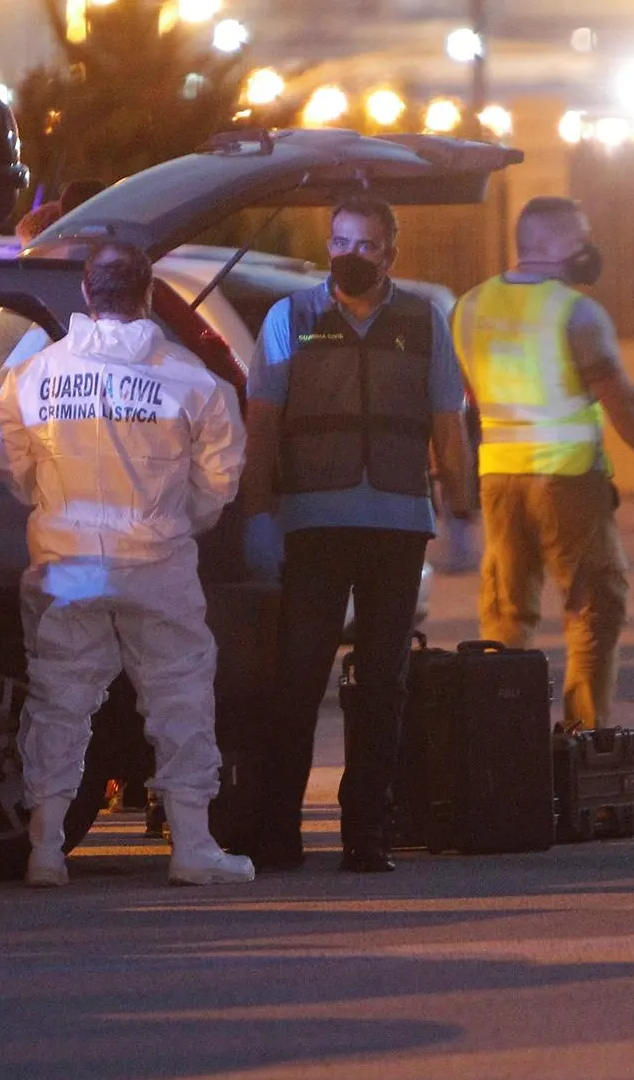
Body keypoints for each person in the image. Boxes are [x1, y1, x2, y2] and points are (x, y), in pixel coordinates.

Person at [0, 239, 255, 887]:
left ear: (86, 293)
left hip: (68, 563)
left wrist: (55, 508)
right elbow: (219, 482)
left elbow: (10, 460)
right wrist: (172, 521)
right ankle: (192, 846)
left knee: (61, 695)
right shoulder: (192, 380)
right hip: (155, 564)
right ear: (146, 297)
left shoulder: (34, 376)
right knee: (180, 694)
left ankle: (46, 848)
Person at [239, 193, 476, 874]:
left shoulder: (424, 322)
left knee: (383, 685)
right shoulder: (292, 318)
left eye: (366, 245)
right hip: (313, 524)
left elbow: (447, 427)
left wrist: (461, 510)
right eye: (340, 242)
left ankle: (366, 834)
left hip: (397, 523)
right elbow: (262, 426)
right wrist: (258, 515)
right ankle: (279, 831)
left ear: (390, 254)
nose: (350, 255)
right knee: (298, 677)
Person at [451, 195, 634, 734]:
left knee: (506, 616)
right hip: (567, 481)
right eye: (579, 239)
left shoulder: (468, 307)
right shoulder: (574, 311)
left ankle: (498, 741)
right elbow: (620, 398)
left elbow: (455, 403)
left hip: (498, 479)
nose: (588, 249)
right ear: (552, 245)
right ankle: (585, 739)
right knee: (593, 612)